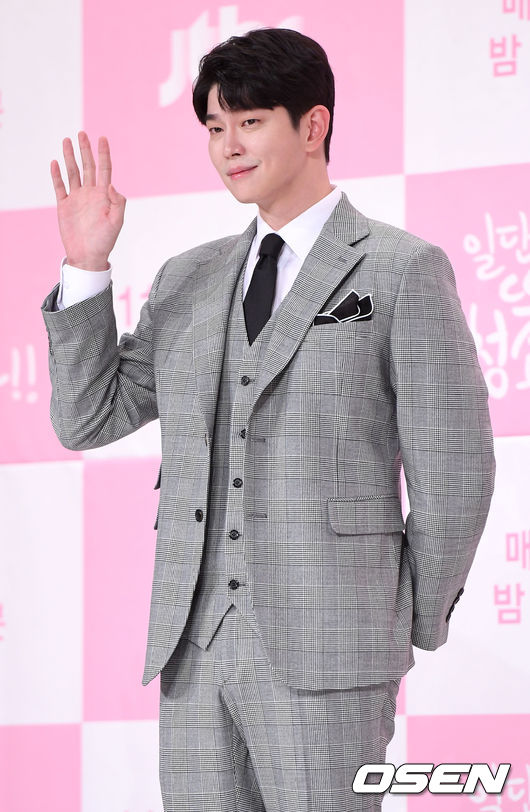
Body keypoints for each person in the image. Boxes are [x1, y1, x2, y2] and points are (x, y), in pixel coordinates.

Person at [41, 26, 495, 812]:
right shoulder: (186, 280)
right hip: (193, 652)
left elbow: (456, 470)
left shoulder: (401, 270)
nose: (228, 146)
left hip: (334, 653)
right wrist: (86, 266)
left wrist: (400, 620)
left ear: (313, 125)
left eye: (249, 121)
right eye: (215, 126)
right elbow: (87, 418)